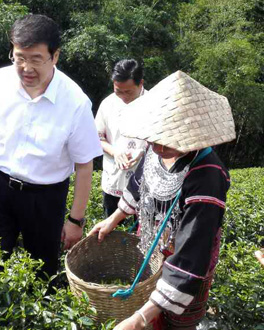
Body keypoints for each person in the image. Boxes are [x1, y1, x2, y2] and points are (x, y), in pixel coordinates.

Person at [89, 71, 236, 330]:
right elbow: (138, 186)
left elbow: (192, 254)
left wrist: (139, 319)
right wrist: (112, 219)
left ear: (193, 134)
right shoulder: (156, 149)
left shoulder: (207, 177)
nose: (156, 147)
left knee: (173, 322)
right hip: (153, 250)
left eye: (165, 141)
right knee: (145, 301)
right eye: (153, 138)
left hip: (184, 263)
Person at [0, 14, 103, 278]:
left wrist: (75, 220)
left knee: (41, 271)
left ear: (55, 57)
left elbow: (85, 165)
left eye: (36, 59)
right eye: (19, 57)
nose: (26, 68)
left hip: (45, 197)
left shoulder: (75, 102)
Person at [95, 59, 147, 218]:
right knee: (110, 235)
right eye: (119, 91)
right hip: (114, 183)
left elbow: (165, 143)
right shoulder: (108, 104)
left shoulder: (155, 104)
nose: (123, 97)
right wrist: (115, 152)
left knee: (142, 235)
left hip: (145, 184)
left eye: (129, 92)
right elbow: (97, 137)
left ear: (141, 83)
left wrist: (142, 153)